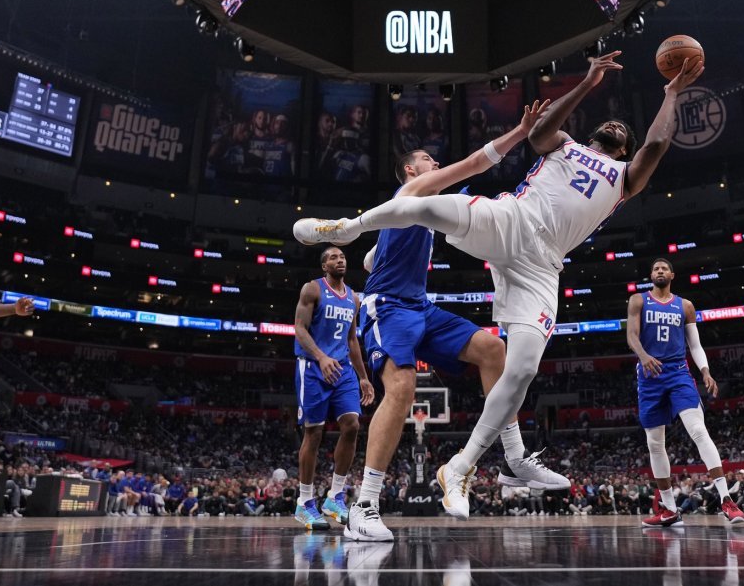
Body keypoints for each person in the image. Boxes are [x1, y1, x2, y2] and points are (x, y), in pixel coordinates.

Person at [293, 52, 703, 524]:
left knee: (517, 363)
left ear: (624, 148)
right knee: (424, 206)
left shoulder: (626, 177)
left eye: (621, 132)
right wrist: (587, 83)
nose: (614, 128)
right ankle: (347, 227)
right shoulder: (565, 144)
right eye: (606, 124)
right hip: (512, 220)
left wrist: (671, 94)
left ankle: (473, 465)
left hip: (542, 267)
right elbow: (537, 132)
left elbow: (656, 143)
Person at [308, 100, 564, 542]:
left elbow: (484, 211)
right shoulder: (411, 192)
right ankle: (365, 505)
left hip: (420, 307)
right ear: (411, 171)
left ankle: (514, 456)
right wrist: (521, 132)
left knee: (493, 350)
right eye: (428, 160)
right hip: (388, 307)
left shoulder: (421, 210)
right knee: (403, 388)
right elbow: (473, 163)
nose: (436, 163)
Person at [629, 258, 744, 527]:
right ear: (651, 275)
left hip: (678, 372)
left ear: (672, 274)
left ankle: (726, 500)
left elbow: (695, 344)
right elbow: (632, 336)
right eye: (655, 268)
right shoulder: (638, 300)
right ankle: (669, 509)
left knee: (698, 430)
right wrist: (644, 355)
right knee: (655, 444)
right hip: (649, 375)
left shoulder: (685, 306)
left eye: (663, 268)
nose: (659, 271)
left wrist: (705, 371)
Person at [293, 246, 374, 531]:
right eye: (333, 257)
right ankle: (304, 503)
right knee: (314, 433)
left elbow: (353, 340)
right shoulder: (312, 289)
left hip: (343, 370)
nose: (340, 260)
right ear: (324, 265)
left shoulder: (353, 297)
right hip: (313, 367)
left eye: (342, 256)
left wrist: (363, 377)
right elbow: (299, 328)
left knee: (352, 425)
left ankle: (334, 497)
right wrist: (321, 356)